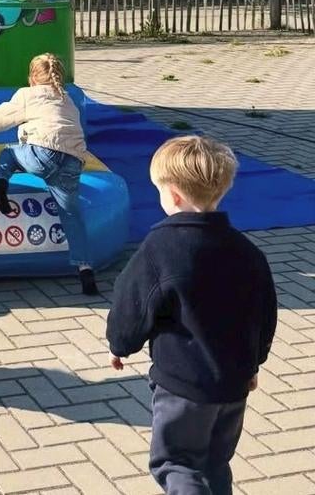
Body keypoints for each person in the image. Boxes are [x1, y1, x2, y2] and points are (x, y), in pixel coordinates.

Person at [107, 136, 277, 495]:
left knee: (178, 462)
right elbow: (264, 314)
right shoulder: (246, 251)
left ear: (174, 196)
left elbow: (133, 302)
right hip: (233, 385)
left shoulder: (160, 248)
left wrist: (120, 343)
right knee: (215, 461)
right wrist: (253, 364)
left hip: (182, 385)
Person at [0, 52, 98, 296]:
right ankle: (85, 270)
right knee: (71, 214)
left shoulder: (27, 94)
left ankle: (0, 189)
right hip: (72, 160)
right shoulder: (67, 98)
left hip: (43, 154)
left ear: (32, 77)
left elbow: (3, 116)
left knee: (8, 154)